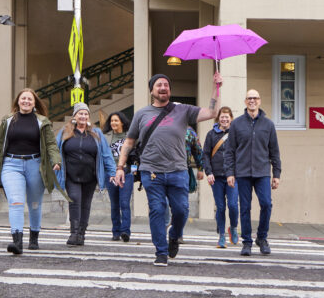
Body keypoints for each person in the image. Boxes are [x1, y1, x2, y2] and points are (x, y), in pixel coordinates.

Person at [114, 71, 222, 267]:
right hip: (151, 171)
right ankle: (161, 251)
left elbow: (212, 113)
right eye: (159, 85)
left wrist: (217, 88)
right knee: (156, 210)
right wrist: (121, 167)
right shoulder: (142, 114)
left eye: (166, 85)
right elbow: (129, 142)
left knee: (181, 210)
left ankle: (174, 235)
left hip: (178, 171)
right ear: (151, 90)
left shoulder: (183, 110)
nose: (163, 87)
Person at [0, 88, 62, 254]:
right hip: (11, 164)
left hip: (35, 164)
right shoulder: (7, 121)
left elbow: (50, 144)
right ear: (18, 101)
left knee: (34, 204)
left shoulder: (42, 122)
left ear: (34, 103)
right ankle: (17, 242)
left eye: (30, 99)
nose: (26, 101)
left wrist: (56, 160)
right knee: (16, 201)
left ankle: (34, 237)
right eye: (23, 98)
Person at [226, 89, 282, 257]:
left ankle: (262, 238)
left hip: (262, 172)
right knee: (245, 208)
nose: (252, 101)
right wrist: (230, 172)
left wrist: (277, 174)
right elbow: (229, 151)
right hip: (242, 172)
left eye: (255, 98)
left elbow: (274, 152)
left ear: (259, 101)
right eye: (249, 98)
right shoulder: (236, 124)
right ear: (245, 101)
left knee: (266, 204)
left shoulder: (268, 124)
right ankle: (247, 242)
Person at [55, 102, 117, 247]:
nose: (83, 116)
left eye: (85, 114)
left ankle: (82, 233)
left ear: (89, 116)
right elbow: (56, 150)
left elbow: (106, 154)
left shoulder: (97, 133)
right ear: (75, 116)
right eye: (80, 113)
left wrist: (112, 172)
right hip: (71, 175)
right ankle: (74, 233)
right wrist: (55, 162)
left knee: (86, 204)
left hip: (90, 176)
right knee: (74, 200)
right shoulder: (65, 131)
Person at [202, 105, 240, 248]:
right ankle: (222, 235)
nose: (224, 119)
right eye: (222, 117)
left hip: (232, 176)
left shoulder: (236, 134)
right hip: (216, 176)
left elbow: (240, 154)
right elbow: (205, 154)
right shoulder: (211, 134)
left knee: (233, 205)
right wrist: (208, 172)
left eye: (227, 117)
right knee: (220, 207)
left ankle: (234, 228)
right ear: (218, 119)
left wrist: (237, 173)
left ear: (231, 119)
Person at [104, 111, 133, 242]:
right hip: (111, 174)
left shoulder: (131, 136)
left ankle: (125, 231)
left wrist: (134, 171)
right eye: (111, 121)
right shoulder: (106, 137)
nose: (113, 123)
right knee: (115, 204)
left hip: (126, 174)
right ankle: (116, 231)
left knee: (124, 203)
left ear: (122, 122)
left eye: (116, 120)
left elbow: (135, 157)